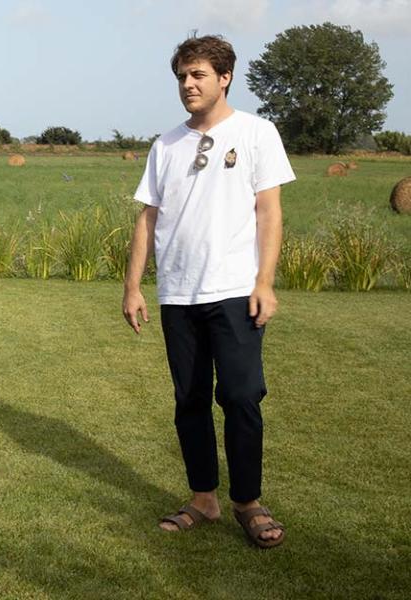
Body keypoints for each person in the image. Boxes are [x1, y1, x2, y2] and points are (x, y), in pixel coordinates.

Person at [122, 35, 293, 549]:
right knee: (189, 399)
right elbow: (147, 218)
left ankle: (248, 502)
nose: (188, 85)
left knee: (241, 396)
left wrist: (264, 281)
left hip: (236, 291)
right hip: (178, 294)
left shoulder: (257, 133)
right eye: (181, 77)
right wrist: (133, 286)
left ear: (224, 78)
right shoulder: (165, 145)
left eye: (197, 75)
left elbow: (270, 212)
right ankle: (203, 498)